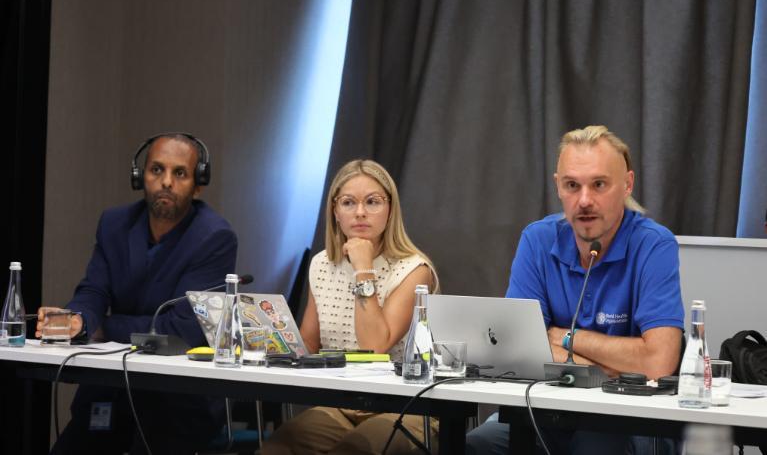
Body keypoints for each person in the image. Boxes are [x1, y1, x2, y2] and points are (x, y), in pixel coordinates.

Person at [466, 125, 684, 454]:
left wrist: (567, 338)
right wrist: (609, 368)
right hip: (546, 411)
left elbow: (658, 363)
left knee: (592, 446)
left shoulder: (654, 245)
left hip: (628, 418)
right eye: (572, 185)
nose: (584, 201)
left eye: (599, 184)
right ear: (558, 186)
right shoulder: (538, 239)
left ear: (627, 184)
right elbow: (515, 350)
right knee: (476, 445)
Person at [37, 133, 237, 454]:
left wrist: (102, 328)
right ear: (139, 176)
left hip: (176, 401)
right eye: (157, 170)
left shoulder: (215, 237)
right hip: (111, 388)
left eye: (180, 173)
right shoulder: (114, 223)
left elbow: (183, 330)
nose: (166, 182)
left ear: (198, 185)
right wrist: (78, 320)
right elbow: (94, 289)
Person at [261, 159, 439, 455]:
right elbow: (309, 343)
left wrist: (363, 269)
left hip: (405, 405)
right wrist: (265, 341)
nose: (359, 212)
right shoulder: (321, 264)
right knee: (279, 447)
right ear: (335, 211)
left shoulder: (414, 269)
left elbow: (375, 346)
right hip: (341, 405)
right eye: (348, 202)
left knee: (356, 449)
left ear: (390, 209)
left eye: (372, 202)